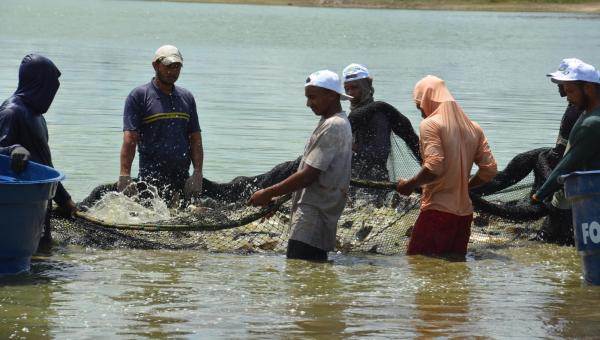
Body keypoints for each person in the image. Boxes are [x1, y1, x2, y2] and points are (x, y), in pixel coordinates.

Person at [248, 70, 353, 261]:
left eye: (312, 97)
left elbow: (308, 176)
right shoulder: (332, 122)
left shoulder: (333, 125)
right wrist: (278, 198)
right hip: (316, 211)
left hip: (314, 214)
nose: (308, 104)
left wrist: (268, 193)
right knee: (308, 275)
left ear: (331, 95)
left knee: (299, 271)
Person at [395, 75, 497, 259]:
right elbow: (489, 170)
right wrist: (464, 186)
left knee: (420, 265)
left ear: (427, 101)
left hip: (437, 213)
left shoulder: (430, 124)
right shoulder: (474, 128)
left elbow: (434, 166)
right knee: (455, 268)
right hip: (464, 216)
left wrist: (410, 184)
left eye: (420, 107)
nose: (422, 113)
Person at [0, 54, 77, 243]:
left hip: (39, 205)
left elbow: (44, 166)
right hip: (17, 210)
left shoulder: (37, 116)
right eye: (50, 88)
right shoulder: (11, 112)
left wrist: (64, 200)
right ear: (38, 84)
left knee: (43, 256)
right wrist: (13, 149)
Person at [118, 45, 204, 206]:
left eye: (177, 66)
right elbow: (130, 139)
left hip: (181, 178)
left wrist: (197, 173)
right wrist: (125, 175)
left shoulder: (187, 97)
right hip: (151, 178)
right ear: (156, 65)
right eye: (169, 66)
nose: (173, 71)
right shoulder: (139, 96)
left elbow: (195, 138)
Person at [532, 60, 600, 206]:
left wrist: (539, 195)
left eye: (570, 91)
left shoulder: (591, 124)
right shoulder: (587, 113)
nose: (567, 97)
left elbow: (568, 165)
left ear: (588, 88)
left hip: (589, 199)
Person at [342, 63, 420, 182]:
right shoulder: (366, 111)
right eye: (347, 89)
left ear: (366, 87)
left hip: (373, 181)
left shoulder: (377, 115)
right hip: (357, 177)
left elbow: (380, 152)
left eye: (354, 87)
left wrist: (352, 147)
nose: (350, 93)